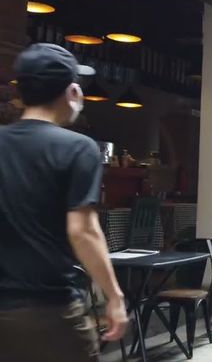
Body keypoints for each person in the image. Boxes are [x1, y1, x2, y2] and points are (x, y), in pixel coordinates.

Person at [0, 44, 128, 361]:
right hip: (49, 309)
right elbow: (82, 231)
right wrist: (113, 296)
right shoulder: (78, 148)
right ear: (72, 91)